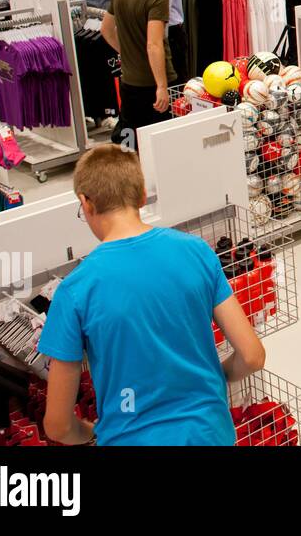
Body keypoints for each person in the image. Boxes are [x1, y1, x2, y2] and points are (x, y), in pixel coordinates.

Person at [38, 145, 266, 445]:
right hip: (208, 433)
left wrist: (91, 431)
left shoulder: (76, 290)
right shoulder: (196, 252)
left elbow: (57, 426)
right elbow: (252, 356)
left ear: (86, 203)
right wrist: (213, 378)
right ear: (142, 195)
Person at [101, 0, 176, 146]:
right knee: (160, 142)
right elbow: (154, 44)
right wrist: (161, 86)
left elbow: (106, 30)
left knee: (130, 140)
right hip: (151, 83)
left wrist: (125, 52)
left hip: (128, 81)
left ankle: (130, 175)